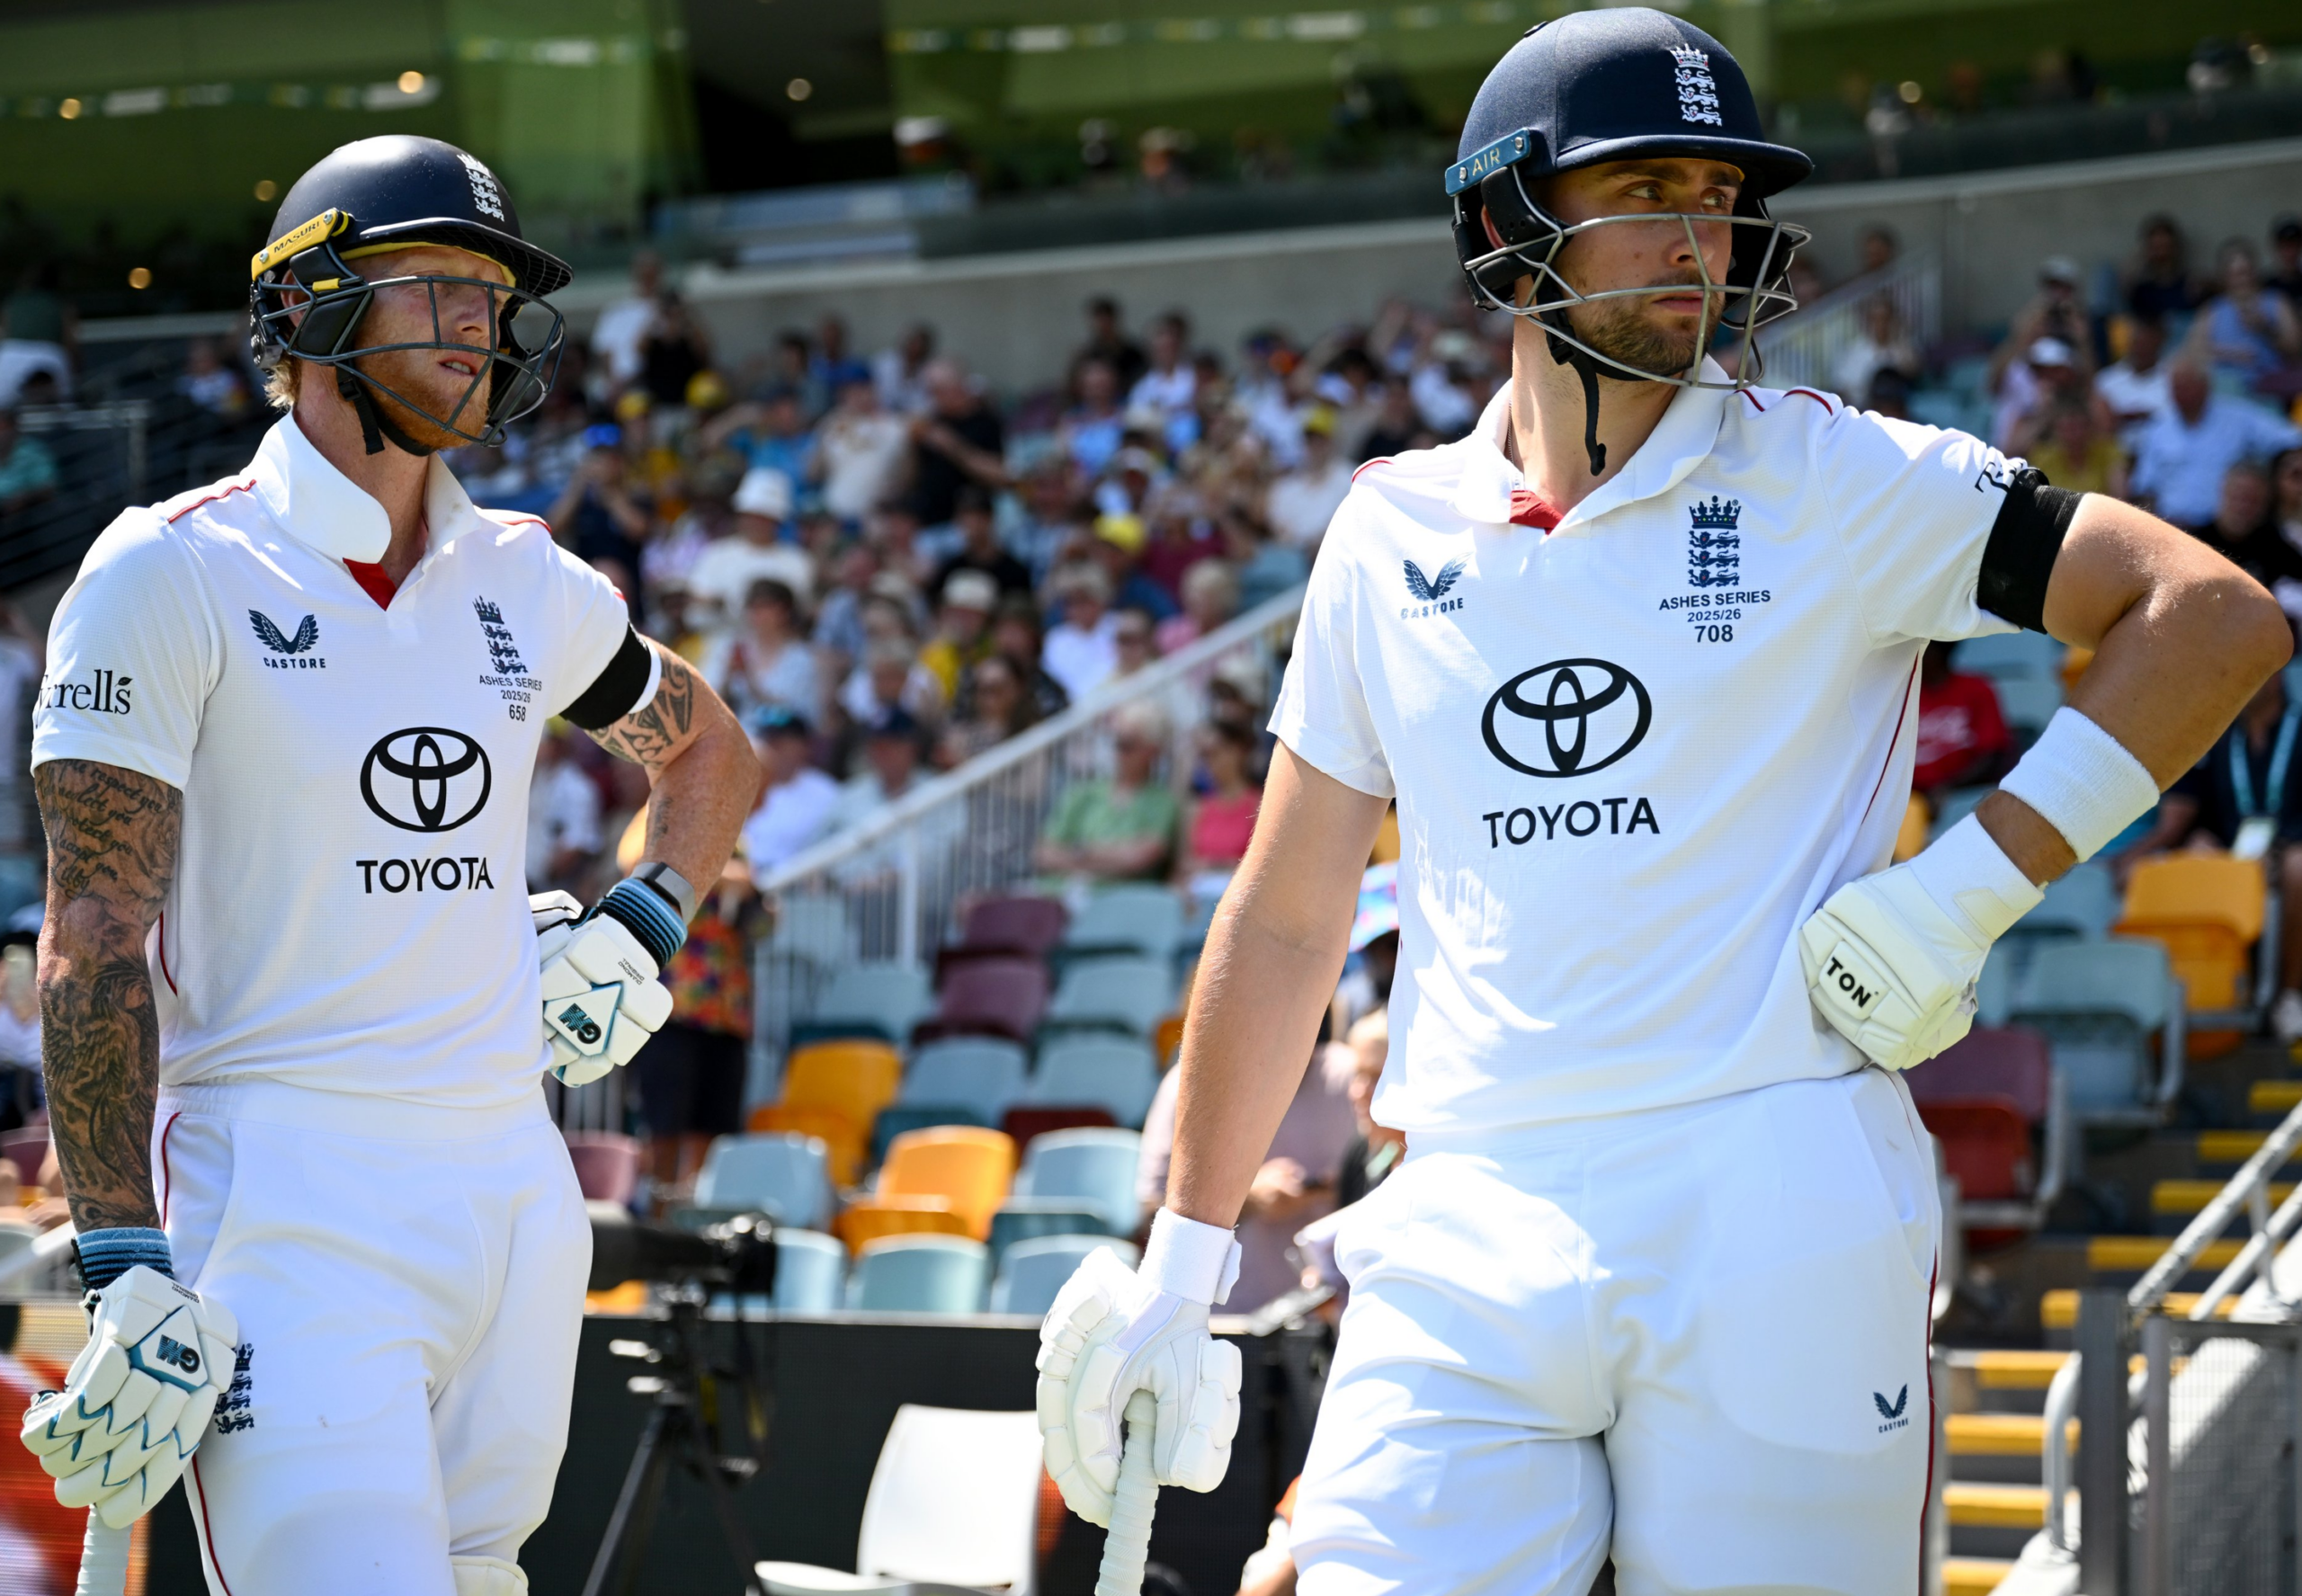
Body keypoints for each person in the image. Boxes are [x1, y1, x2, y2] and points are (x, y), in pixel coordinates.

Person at [1031, 15, 2290, 1592]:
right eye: (1650, 189)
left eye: (1721, 194)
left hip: (1776, 1188)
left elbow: (2214, 615)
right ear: (1506, 222)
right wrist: (1184, 1256)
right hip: (1462, 1209)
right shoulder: (1381, 532)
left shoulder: (1844, 477)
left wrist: (1969, 886)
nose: (1701, 237)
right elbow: (1287, 913)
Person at [28, 135, 759, 1593]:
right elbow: (93, 938)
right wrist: (121, 1251)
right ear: (306, 312)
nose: (476, 326)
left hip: (512, 1190)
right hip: (284, 1199)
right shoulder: (165, 570)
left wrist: (638, 917)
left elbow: (715, 756)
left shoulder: (529, 576)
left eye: (492, 298)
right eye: (436, 289)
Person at [2113, 672, 2302, 1040]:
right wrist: (2199, 841)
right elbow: (2185, 815)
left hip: (2289, 852)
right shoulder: (2215, 735)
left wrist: (2277, 852)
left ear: (2276, 675)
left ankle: (2289, 996)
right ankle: (2212, 1002)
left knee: (2300, 868)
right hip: (2230, 858)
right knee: (2187, 860)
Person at [2127, 358, 2302, 530]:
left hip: (2225, 531)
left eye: (2186, 386)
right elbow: (2145, 487)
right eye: (2175, 386)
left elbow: (2290, 437)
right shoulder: (2158, 429)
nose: (2179, 393)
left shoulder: (2239, 418)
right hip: (2172, 527)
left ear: (2205, 385)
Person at [1035, 701, 1181, 884]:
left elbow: (1141, 857)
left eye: (1126, 744)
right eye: (1115, 742)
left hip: (1122, 904)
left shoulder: (1163, 802)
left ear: (1152, 751)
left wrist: (1080, 853)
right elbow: (1044, 854)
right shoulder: (1082, 793)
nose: (1117, 751)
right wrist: (1108, 858)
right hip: (1061, 899)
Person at [686, 467, 816, 628]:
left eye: (764, 516)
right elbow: (694, 613)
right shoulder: (716, 554)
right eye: (750, 515)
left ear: (778, 520)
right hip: (720, 644)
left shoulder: (797, 562)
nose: (755, 522)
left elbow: (800, 616)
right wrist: (715, 605)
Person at [2182, 237, 2302, 394]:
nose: (2243, 280)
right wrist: (2231, 355)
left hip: (2270, 390)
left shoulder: (2276, 302)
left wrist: (2266, 329)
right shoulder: (2212, 310)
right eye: (2237, 274)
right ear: (2225, 277)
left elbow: (2296, 351)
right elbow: (2193, 354)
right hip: (2223, 390)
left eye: (2247, 272)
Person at [905, 360, 1006, 529]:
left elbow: (1000, 475)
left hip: (965, 523)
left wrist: (952, 446)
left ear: (957, 388)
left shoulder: (986, 423)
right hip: (926, 518)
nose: (932, 398)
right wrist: (911, 445)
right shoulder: (932, 421)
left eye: (937, 391)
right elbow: (912, 479)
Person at [740, 706, 840, 875]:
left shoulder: (827, 792)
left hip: (800, 887)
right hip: (744, 880)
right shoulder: (745, 785)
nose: (773, 747)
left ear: (805, 746)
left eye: (782, 741)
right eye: (769, 739)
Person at [703, 576, 819, 723]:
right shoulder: (731, 648)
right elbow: (708, 706)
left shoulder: (801, 658)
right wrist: (728, 677)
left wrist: (751, 683)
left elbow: (794, 715)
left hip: (778, 739)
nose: (758, 615)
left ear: (784, 611)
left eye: (765, 607)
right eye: (753, 607)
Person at [1912, 641, 2012, 798]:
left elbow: (1992, 754)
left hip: (1963, 794)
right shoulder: (1902, 696)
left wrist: (1949, 789)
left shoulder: (1976, 689)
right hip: (1910, 798)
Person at [813, 367, 908, 522]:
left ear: (873, 389)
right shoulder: (833, 424)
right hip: (833, 517)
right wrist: (824, 433)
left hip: (872, 518)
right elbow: (814, 474)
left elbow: (905, 479)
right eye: (847, 391)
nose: (854, 397)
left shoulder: (894, 426)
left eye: (859, 389)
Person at [1180, 719, 1263, 881]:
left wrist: (1213, 865)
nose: (1208, 761)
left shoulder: (1259, 805)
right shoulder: (1197, 809)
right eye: (1203, 755)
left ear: (1237, 751)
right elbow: (1182, 868)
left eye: (1214, 752)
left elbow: (1263, 865)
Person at [526, 725, 604, 894]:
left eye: (543, 741)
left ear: (558, 743)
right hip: (524, 884)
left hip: (554, 891)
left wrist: (538, 882)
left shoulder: (579, 789)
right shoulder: (534, 780)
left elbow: (574, 849)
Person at [1263, 408, 1354, 549]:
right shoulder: (1289, 483)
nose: (1315, 446)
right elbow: (1278, 522)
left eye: (1321, 440)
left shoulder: (1350, 478)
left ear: (1332, 442)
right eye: (1310, 440)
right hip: (1293, 555)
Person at [1041, 563, 1122, 703]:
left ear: (1100, 597)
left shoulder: (1121, 626)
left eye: (1083, 600)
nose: (1077, 608)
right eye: (1070, 602)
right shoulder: (1056, 640)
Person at [588, 250, 663, 394]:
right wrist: (613, 383)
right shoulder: (616, 311)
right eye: (643, 274)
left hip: (652, 386)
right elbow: (604, 350)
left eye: (651, 273)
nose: (647, 279)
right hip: (617, 388)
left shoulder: (668, 311)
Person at [2093, 311, 2173, 443]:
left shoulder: (2172, 380)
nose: (2141, 350)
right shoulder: (2106, 380)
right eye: (2137, 343)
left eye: (2146, 344)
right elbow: (2098, 423)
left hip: (2162, 452)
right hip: (2115, 452)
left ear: (2158, 344)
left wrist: (2148, 417)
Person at [0, 406, 58, 518]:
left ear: (13, 427)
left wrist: (24, 499)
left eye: (1, 427)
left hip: (24, 517)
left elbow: (48, 488)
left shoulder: (34, 452)